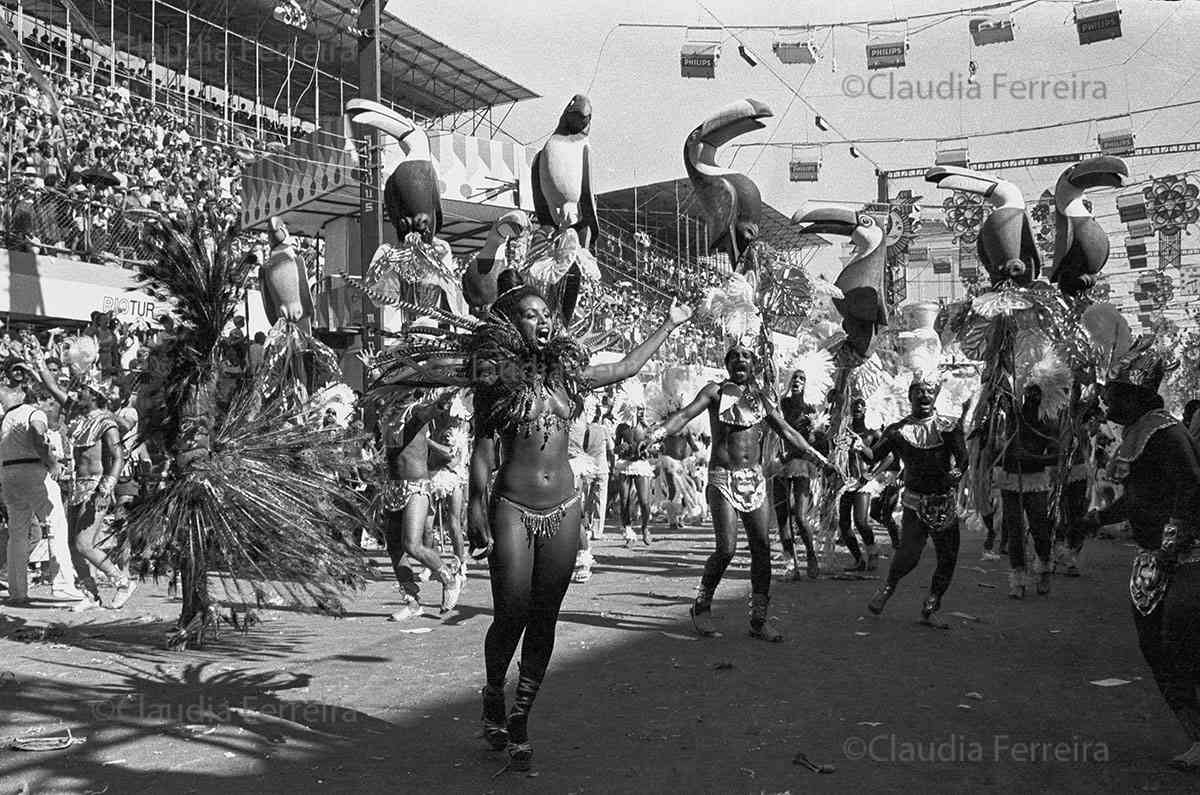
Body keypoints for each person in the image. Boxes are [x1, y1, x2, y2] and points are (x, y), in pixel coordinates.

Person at [467, 273, 693, 770]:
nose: (543, 321)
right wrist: (473, 507)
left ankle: (521, 716)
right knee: (511, 611)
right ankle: (492, 692)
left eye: (547, 315)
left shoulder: (570, 377)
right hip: (512, 506)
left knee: (544, 615)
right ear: (510, 323)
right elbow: (483, 451)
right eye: (531, 314)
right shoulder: (495, 381)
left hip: (565, 506)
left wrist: (668, 324)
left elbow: (627, 366)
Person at [650, 345, 834, 642]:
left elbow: (787, 431)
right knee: (727, 549)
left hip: (755, 480)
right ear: (726, 364)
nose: (740, 360)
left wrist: (819, 459)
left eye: (746, 356)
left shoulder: (761, 400)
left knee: (761, 548)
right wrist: (656, 433)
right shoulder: (714, 392)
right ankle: (701, 605)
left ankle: (759, 620)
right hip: (722, 478)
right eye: (734, 356)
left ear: (755, 365)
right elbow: (683, 416)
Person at [1078, 338, 1200, 771]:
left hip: (1187, 559)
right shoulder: (1138, 434)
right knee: (1157, 648)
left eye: (1113, 393)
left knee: (1179, 642)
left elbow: (1191, 489)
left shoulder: (1167, 433)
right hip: (1154, 559)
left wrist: (1171, 545)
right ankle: (1195, 734)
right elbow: (1138, 496)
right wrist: (1096, 518)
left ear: (1135, 396)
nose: (1106, 401)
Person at [864, 371, 966, 624]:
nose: (924, 395)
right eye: (919, 391)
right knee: (909, 554)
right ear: (910, 395)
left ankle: (933, 600)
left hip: (943, 500)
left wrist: (957, 471)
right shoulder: (897, 431)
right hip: (914, 501)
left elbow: (963, 457)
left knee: (948, 555)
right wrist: (852, 443)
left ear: (936, 396)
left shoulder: (948, 426)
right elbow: (872, 456)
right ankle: (888, 587)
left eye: (929, 391)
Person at [378, 387, 464, 622]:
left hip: (416, 486)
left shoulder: (413, 410)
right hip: (393, 486)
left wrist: (439, 405)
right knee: (395, 548)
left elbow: (426, 413)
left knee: (412, 544)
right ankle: (412, 602)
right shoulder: (388, 415)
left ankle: (449, 576)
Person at [0, 366, 77, 605]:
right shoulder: (34, 414)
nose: (49, 403)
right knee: (56, 525)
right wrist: (52, 462)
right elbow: (38, 435)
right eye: (46, 399)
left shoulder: (5, 418)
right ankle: (63, 586)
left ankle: (17, 591)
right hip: (33, 471)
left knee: (18, 534)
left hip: (9, 473)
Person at [997, 385, 1059, 599]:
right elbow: (1000, 386)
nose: (1032, 398)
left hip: (1035, 482)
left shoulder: (1048, 423)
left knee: (1040, 529)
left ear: (1044, 396)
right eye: (1028, 393)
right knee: (1015, 532)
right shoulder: (1013, 415)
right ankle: (1018, 579)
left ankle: (1043, 571)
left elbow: (1056, 455)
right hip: (1010, 479)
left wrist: (1032, 458)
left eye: (1037, 394)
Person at [770, 369, 820, 580]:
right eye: (795, 378)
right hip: (779, 465)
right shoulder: (780, 404)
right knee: (782, 518)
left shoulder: (811, 410)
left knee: (800, 516)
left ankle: (811, 554)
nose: (798, 381)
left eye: (803, 378)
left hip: (799, 465)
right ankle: (791, 566)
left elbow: (810, 443)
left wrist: (787, 457)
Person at [839, 395, 882, 572]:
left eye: (861, 405)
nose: (857, 408)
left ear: (865, 409)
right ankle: (858, 559)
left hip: (862, 483)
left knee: (860, 522)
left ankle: (872, 552)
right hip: (844, 482)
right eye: (854, 405)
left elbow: (887, 457)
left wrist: (872, 474)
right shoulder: (842, 432)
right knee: (843, 525)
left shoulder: (873, 433)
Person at [614, 406, 654, 546]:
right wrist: (621, 448)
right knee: (624, 500)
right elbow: (615, 448)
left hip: (640, 465)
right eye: (638, 409)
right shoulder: (621, 428)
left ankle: (645, 528)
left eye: (642, 409)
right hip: (625, 464)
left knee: (644, 501)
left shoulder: (645, 426)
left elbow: (652, 444)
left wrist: (646, 449)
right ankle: (629, 533)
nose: (641, 412)